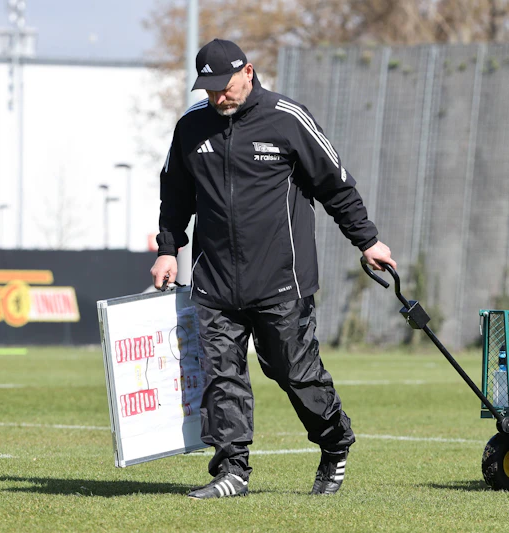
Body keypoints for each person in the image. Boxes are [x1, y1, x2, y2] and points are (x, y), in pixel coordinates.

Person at [150, 38, 396, 500]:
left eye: (223, 87)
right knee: (221, 376)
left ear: (248, 72)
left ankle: (334, 441)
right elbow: (175, 196)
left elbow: (336, 186)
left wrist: (367, 241)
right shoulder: (190, 128)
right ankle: (232, 471)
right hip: (214, 280)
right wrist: (169, 248)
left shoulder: (288, 118)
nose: (217, 97)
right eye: (208, 90)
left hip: (283, 280)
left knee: (293, 373)